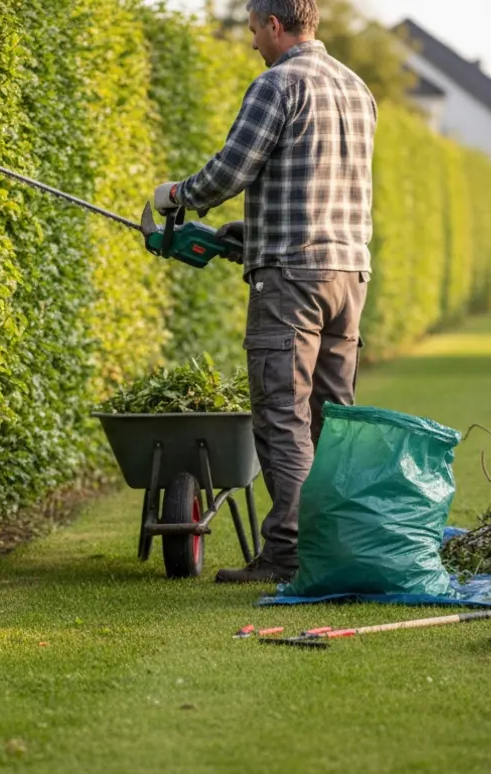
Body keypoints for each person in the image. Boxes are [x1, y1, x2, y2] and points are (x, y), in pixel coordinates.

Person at [152, 0, 376, 583]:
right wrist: (251, 234)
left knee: (282, 415)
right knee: (332, 419)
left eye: (254, 30)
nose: (252, 41)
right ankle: (334, 548)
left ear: (275, 25)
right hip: (349, 276)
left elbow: (232, 170)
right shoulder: (357, 88)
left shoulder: (278, 84)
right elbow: (323, 185)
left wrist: (176, 195)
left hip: (291, 278)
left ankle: (287, 554)